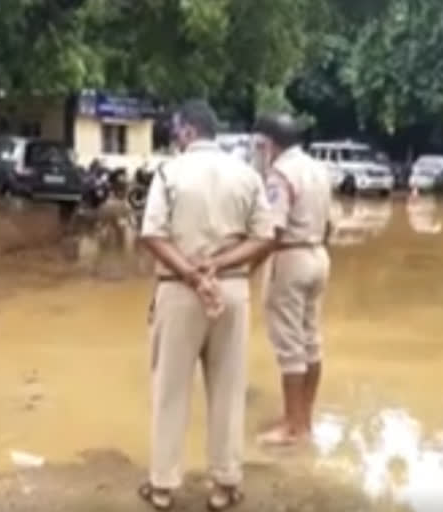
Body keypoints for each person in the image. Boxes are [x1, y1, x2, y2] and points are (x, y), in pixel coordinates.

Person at [138, 99, 275, 510]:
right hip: (231, 291)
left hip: (179, 291)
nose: (175, 139)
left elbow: (152, 235)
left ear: (187, 132)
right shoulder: (248, 175)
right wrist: (218, 264)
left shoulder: (169, 172)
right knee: (228, 389)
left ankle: (163, 486)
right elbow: (265, 237)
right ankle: (225, 484)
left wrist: (192, 273)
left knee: (170, 389)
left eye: (176, 132)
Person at [252, 113, 333, 446]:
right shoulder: (318, 169)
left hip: (290, 257)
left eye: (259, 144)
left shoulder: (280, 174)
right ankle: (304, 419)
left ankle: (292, 426)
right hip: (318, 255)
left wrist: (247, 268)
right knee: (311, 339)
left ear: (269, 143)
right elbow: (331, 224)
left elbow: (273, 230)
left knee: (289, 346)